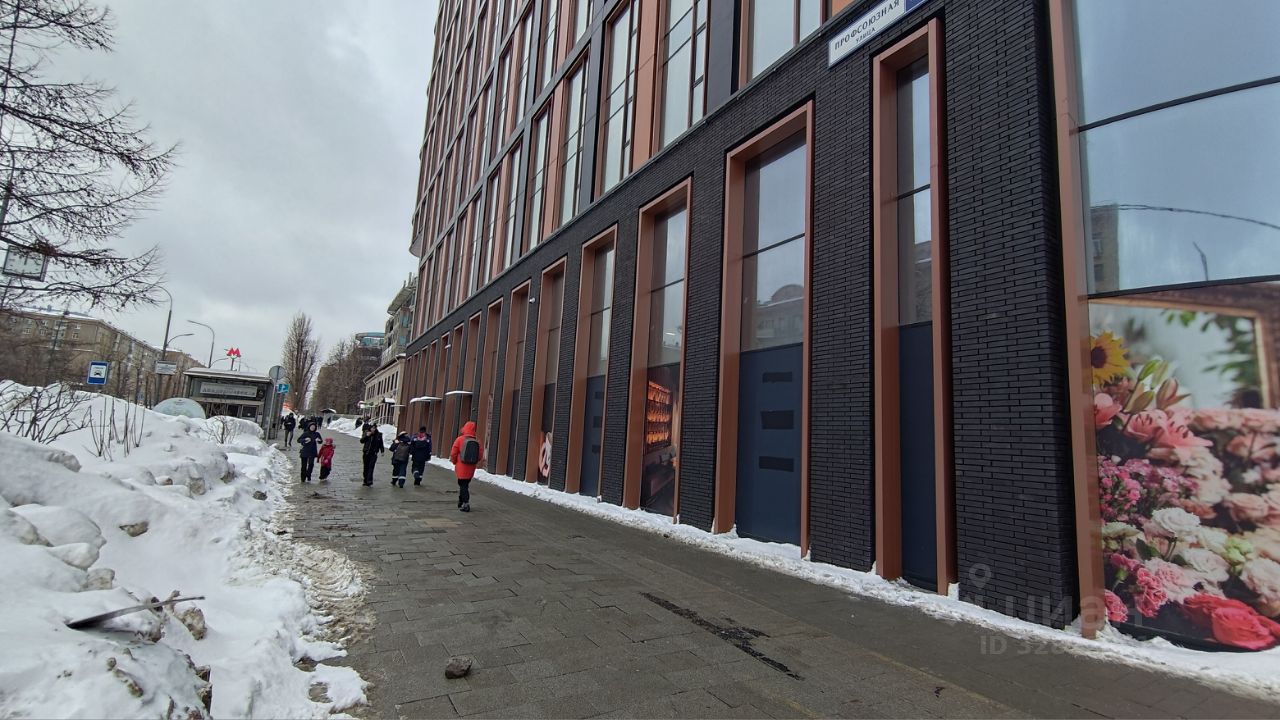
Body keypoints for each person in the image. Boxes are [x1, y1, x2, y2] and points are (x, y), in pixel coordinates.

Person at [449, 421, 483, 512]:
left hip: (461, 467)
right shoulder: (477, 441)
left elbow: (453, 453)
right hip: (471, 468)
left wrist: (454, 461)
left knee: (463, 485)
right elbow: (480, 456)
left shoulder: (460, 439)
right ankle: (461, 500)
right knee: (464, 485)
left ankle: (465, 503)